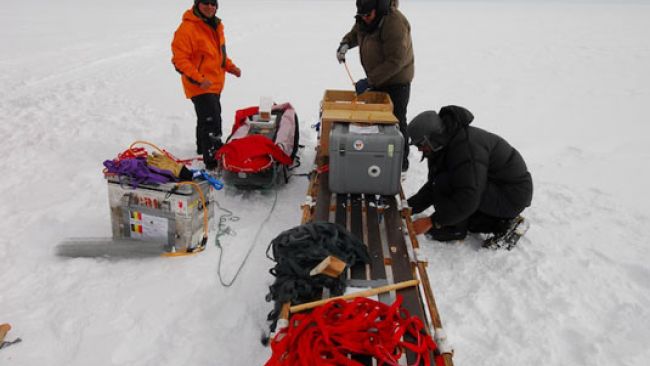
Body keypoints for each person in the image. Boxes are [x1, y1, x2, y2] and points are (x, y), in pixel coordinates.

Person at [407, 106, 533, 249]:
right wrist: (409, 207)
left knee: (452, 189)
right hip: (494, 187)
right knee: (459, 208)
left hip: (511, 194)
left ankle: (455, 230)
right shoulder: (444, 144)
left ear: (433, 137)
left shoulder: (465, 149)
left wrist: (433, 221)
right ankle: (502, 224)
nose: (419, 149)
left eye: (420, 144)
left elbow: (468, 196)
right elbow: (433, 185)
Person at [336, 0, 414, 171]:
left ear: (378, 9)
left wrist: (370, 81)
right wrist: (345, 44)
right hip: (377, 78)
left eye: (368, 15)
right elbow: (356, 32)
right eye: (362, 16)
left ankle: (401, 164)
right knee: (376, 122)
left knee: (396, 120)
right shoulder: (366, 18)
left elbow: (395, 61)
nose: (365, 19)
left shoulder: (394, 23)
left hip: (397, 81)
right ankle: (379, 155)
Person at [171, 0, 241, 170]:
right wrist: (199, 78)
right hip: (199, 85)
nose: (210, 7)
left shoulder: (215, 25)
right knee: (212, 120)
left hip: (214, 83)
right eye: (205, 3)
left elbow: (218, 55)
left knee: (206, 118)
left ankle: (202, 148)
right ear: (197, 4)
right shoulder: (187, 29)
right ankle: (213, 160)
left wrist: (230, 67)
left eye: (213, 3)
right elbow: (179, 60)